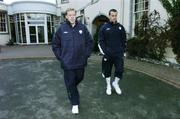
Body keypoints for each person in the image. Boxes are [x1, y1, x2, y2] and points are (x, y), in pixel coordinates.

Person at [52, 8, 93, 114]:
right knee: (70, 82)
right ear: (66, 16)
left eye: (73, 15)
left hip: (80, 62)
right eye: (69, 15)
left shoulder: (82, 28)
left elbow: (90, 42)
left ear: (76, 15)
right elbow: (55, 45)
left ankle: (70, 88)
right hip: (68, 63)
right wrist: (61, 57)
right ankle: (75, 103)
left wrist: (86, 55)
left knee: (79, 78)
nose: (72, 17)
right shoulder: (61, 29)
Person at [98, 9, 127, 96]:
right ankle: (108, 86)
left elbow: (124, 40)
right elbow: (100, 41)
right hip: (108, 54)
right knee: (107, 71)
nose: (114, 17)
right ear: (109, 16)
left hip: (118, 54)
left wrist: (123, 51)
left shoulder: (120, 27)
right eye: (112, 15)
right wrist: (105, 52)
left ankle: (115, 83)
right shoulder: (104, 27)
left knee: (120, 70)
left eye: (115, 15)